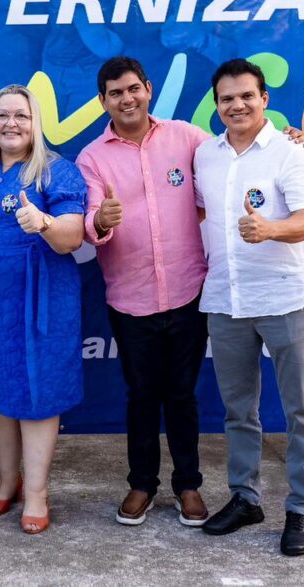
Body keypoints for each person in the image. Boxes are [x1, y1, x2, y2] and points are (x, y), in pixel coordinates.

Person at [194, 58, 304, 557]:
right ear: (217, 105)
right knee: (238, 411)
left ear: (264, 98)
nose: (236, 105)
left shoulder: (292, 154)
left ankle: (303, 509)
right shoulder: (206, 155)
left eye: (246, 95)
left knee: (301, 411)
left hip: (284, 297)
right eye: (226, 98)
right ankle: (245, 498)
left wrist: (270, 228)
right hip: (226, 299)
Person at [75, 57, 212, 528]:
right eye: (115, 93)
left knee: (183, 395)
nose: (126, 99)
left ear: (148, 88)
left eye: (133, 89)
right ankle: (141, 484)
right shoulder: (92, 158)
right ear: (102, 102)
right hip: (130, 299)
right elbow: (92, 222)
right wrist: (100, 222)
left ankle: (189, 485)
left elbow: (234, 166)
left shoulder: (187, 137)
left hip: (188, 291)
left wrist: (285, 144)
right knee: (141, 395)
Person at [0, 85, 87, 534]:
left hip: (43, 299)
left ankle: (36, 492)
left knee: (37, 394)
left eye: (21, 115)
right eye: (1, 116)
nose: (10, 123)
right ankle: (6, 481)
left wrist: (45, 221)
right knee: (1, 392)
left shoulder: (57, 171)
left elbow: (72, 236)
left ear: (36, 123)